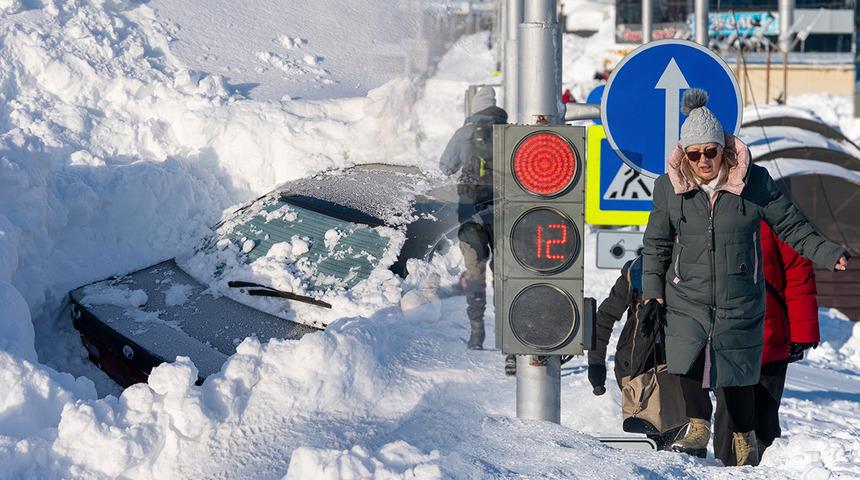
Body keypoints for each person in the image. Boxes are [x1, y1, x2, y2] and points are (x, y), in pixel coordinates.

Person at [641, 88, 848, 466]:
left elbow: (793, 227)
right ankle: (697, 423)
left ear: (724, 149)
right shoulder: (668, 189)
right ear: (684, 155)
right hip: (687, 291)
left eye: (710, 151)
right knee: (687, 353)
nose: (703, 160)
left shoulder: (753, 183)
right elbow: (655, 244)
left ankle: (740, 432)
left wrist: (829, 253)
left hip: (739, 294)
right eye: (694, 154)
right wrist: (652, 293)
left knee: (736, 368)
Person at [713, 221, 820, 466]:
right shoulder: (707, 212)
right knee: (729, 413)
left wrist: (801, 334)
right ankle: (728, 470)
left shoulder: (776, 216)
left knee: (765, 413)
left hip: (769, 337)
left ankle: (764, 468)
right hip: (724, 335)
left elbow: (798, 273)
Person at [439, 86, 516, 375]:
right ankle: (509, 346)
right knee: (506, 278)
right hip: (505, 215)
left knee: (475, 275)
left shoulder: (463, 132)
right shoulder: (508, 131)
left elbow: (445, 167)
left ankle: (476, 334)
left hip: (471, 215)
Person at [587, 256, 686, 450]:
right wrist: (596, 363)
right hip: (638, 369)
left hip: (676, 365)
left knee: (675, 436)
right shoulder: (635, 271)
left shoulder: (697, 267)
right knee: (658, 438)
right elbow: (605, 317)